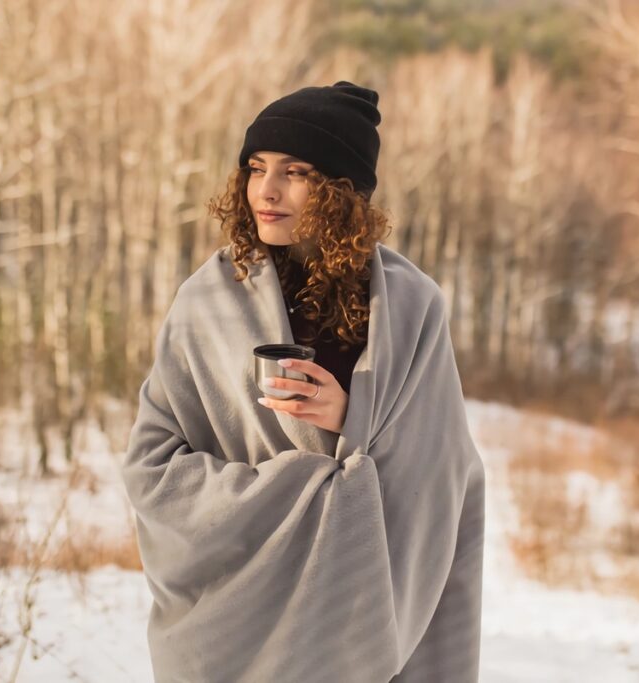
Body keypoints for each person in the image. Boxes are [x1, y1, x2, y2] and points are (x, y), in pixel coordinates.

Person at [121, 81, 485, 683]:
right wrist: (300, 491)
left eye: (296, 172)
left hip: (362, 621)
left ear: (342, 191)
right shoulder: (207, 302)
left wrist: (354, 417)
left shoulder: (412, 307)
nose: (265, 190)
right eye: (256, 168)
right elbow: (150, 468)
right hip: (242, 626)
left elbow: (446, 473)